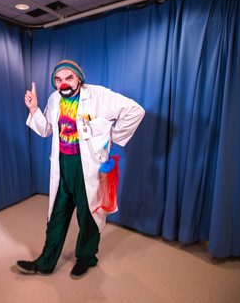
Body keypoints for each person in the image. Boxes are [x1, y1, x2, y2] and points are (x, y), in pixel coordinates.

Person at [17, 60, 145, 279]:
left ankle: (86, 258)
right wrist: (34, 109)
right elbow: (47, 129)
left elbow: (136, 111)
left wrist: (113, 137)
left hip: (88, 168)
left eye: (68, 78)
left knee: (88, 217)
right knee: (56, 217)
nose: (63, 84)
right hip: (63, 166)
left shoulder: (98, 96)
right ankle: (45, 262)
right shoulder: (55, 98)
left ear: (78, 78)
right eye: (58, 80)